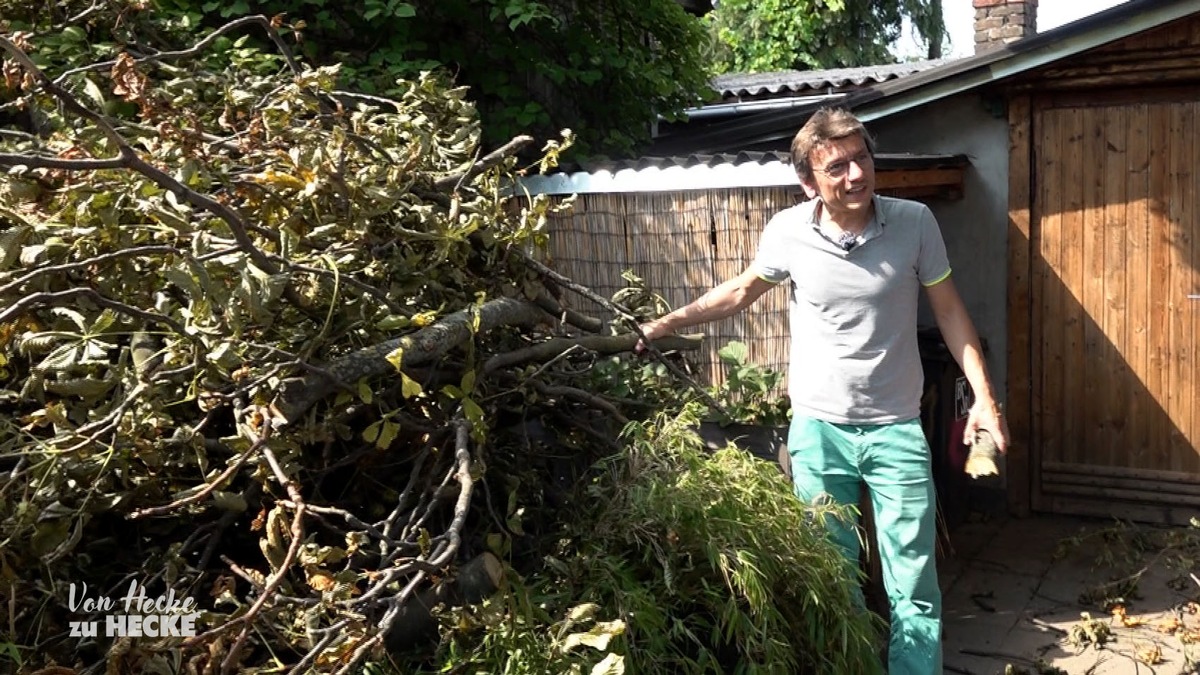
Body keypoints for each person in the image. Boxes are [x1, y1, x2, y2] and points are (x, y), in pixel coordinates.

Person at [635, 107, 1010, 674]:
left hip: (896, 430)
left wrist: (983, 396)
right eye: (837, 167)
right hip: (818, 433)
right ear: (809, 181)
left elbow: (951, 312)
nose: (856, 175)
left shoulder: (914, 223)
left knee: (913, 582)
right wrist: (668, 323)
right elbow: (740, 292)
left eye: (862, 159)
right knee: (832, 579)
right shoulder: (787, 231)